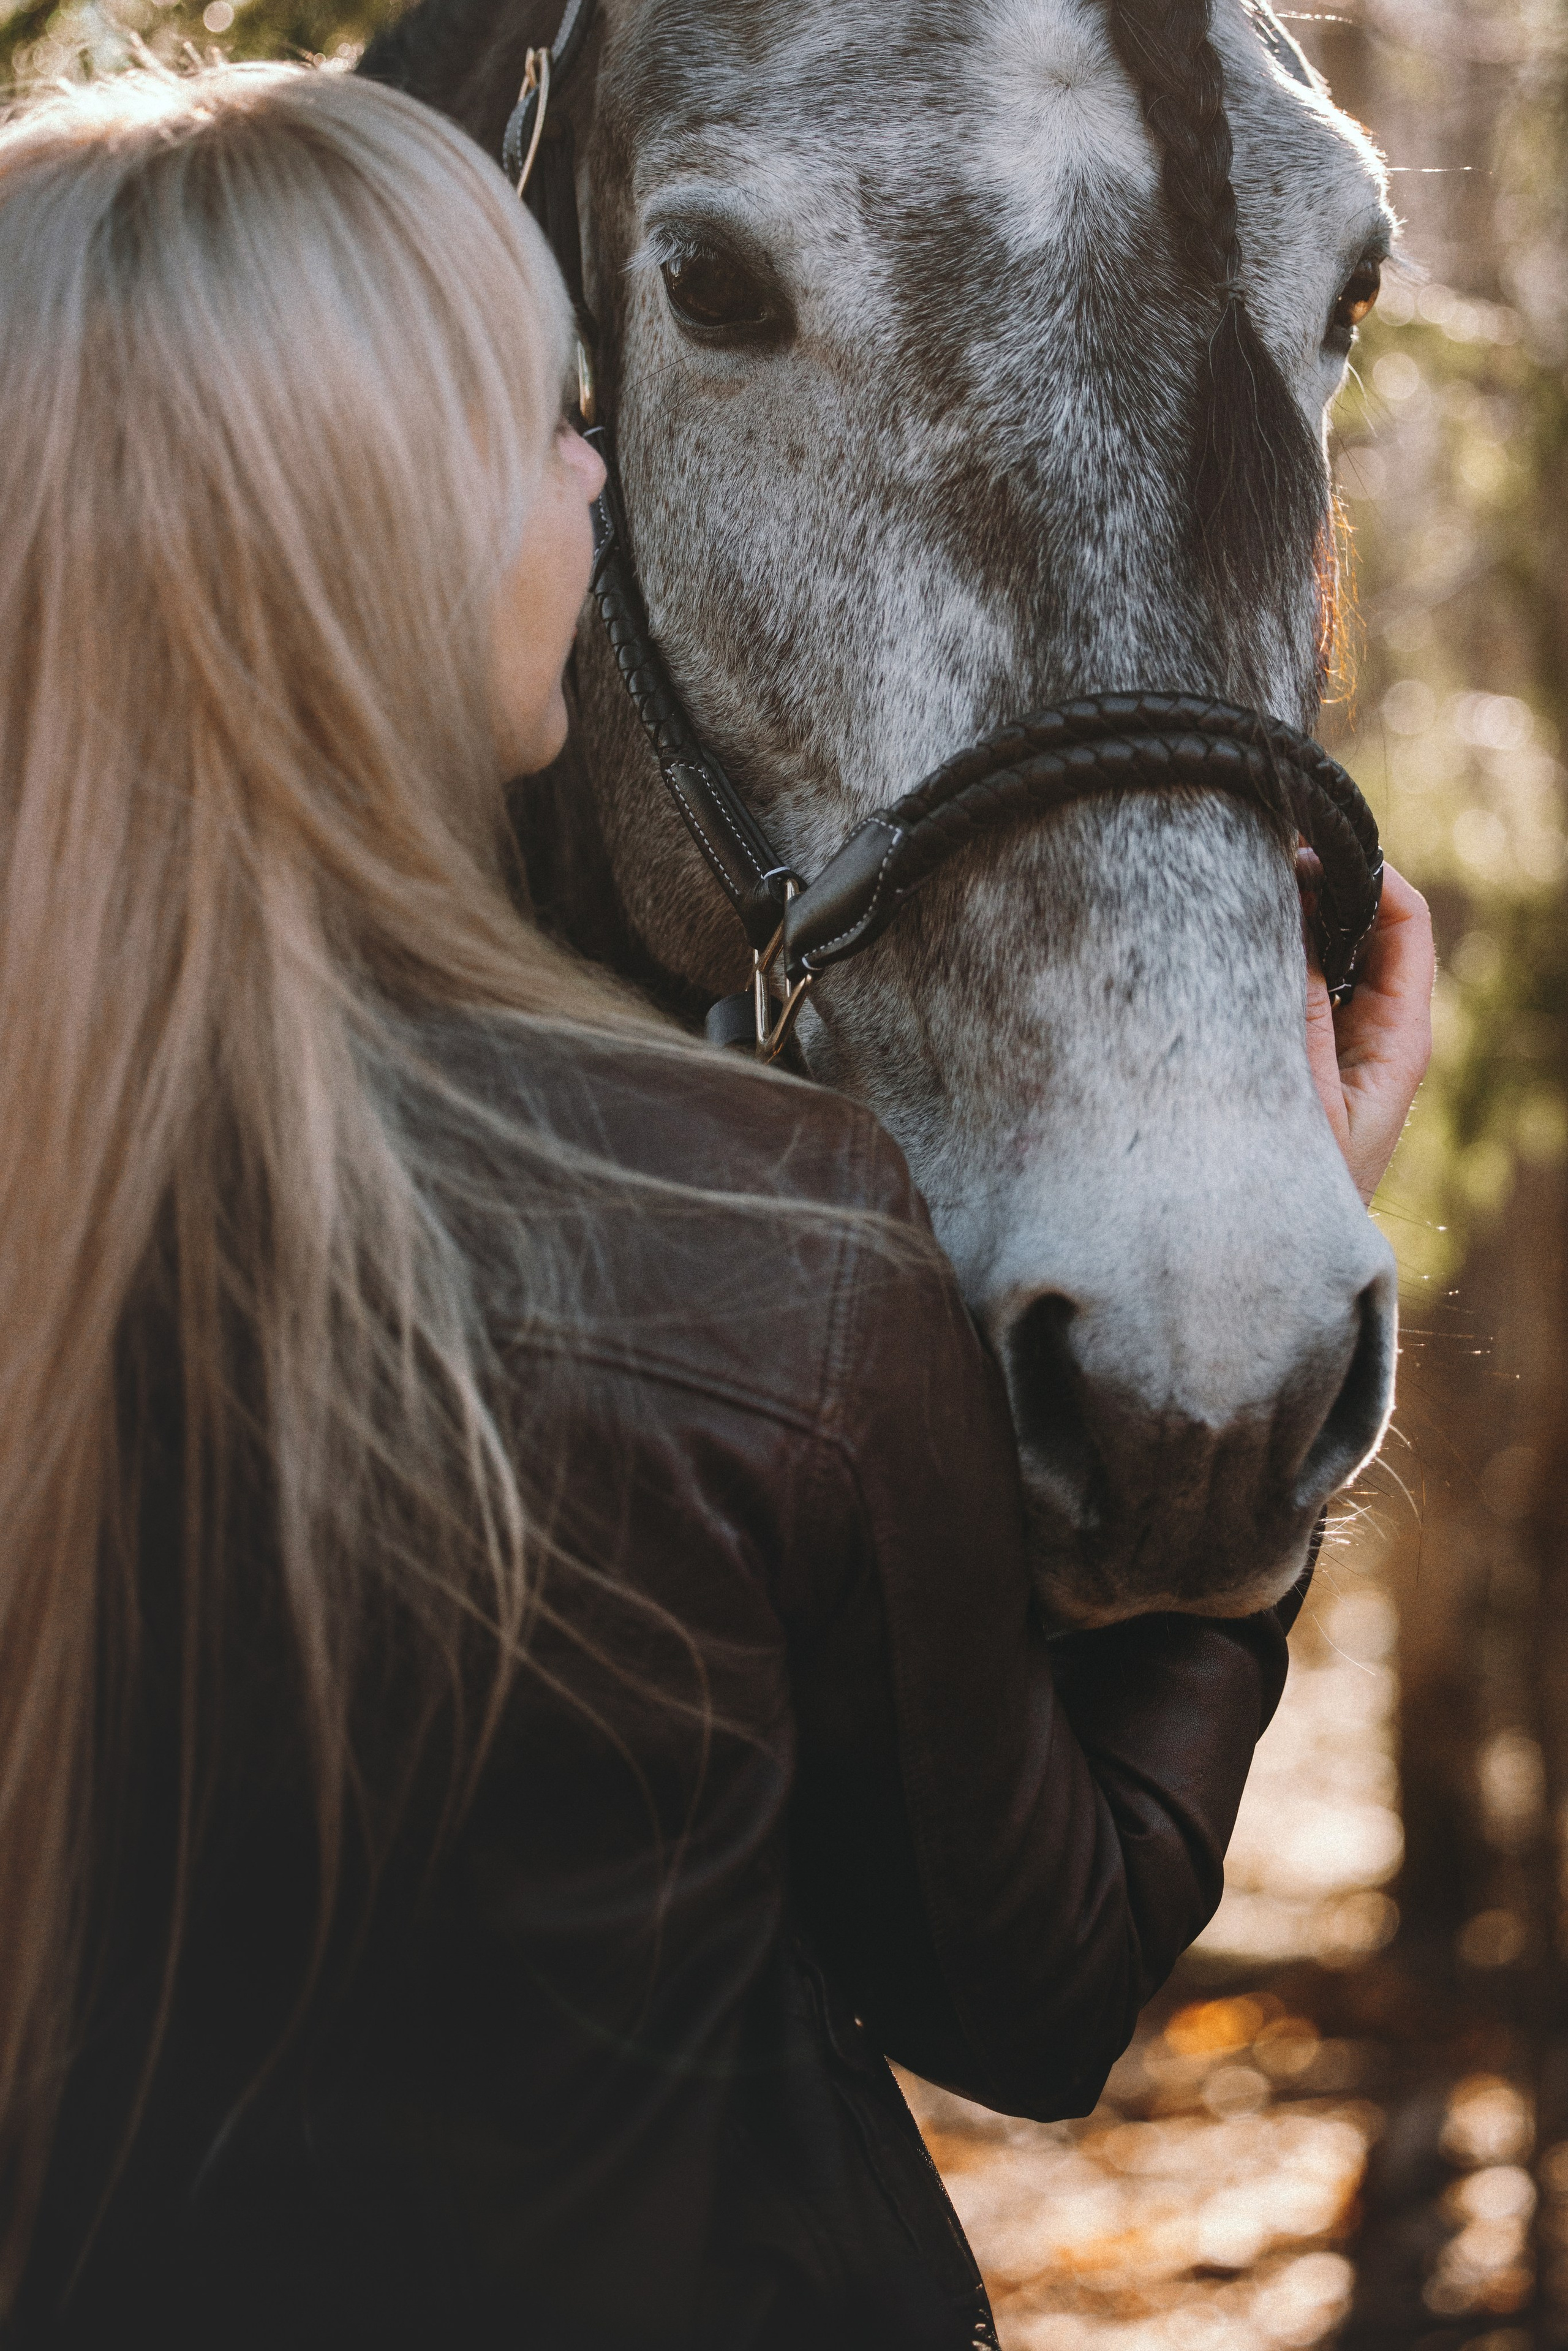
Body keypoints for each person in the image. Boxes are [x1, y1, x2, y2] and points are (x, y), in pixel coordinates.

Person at [0, 61, 1433, 2351]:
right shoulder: (747, 1256)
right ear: (335, 531)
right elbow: (1040, 1984)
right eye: (538, 418)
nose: (601, 469)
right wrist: (1228, 1559)